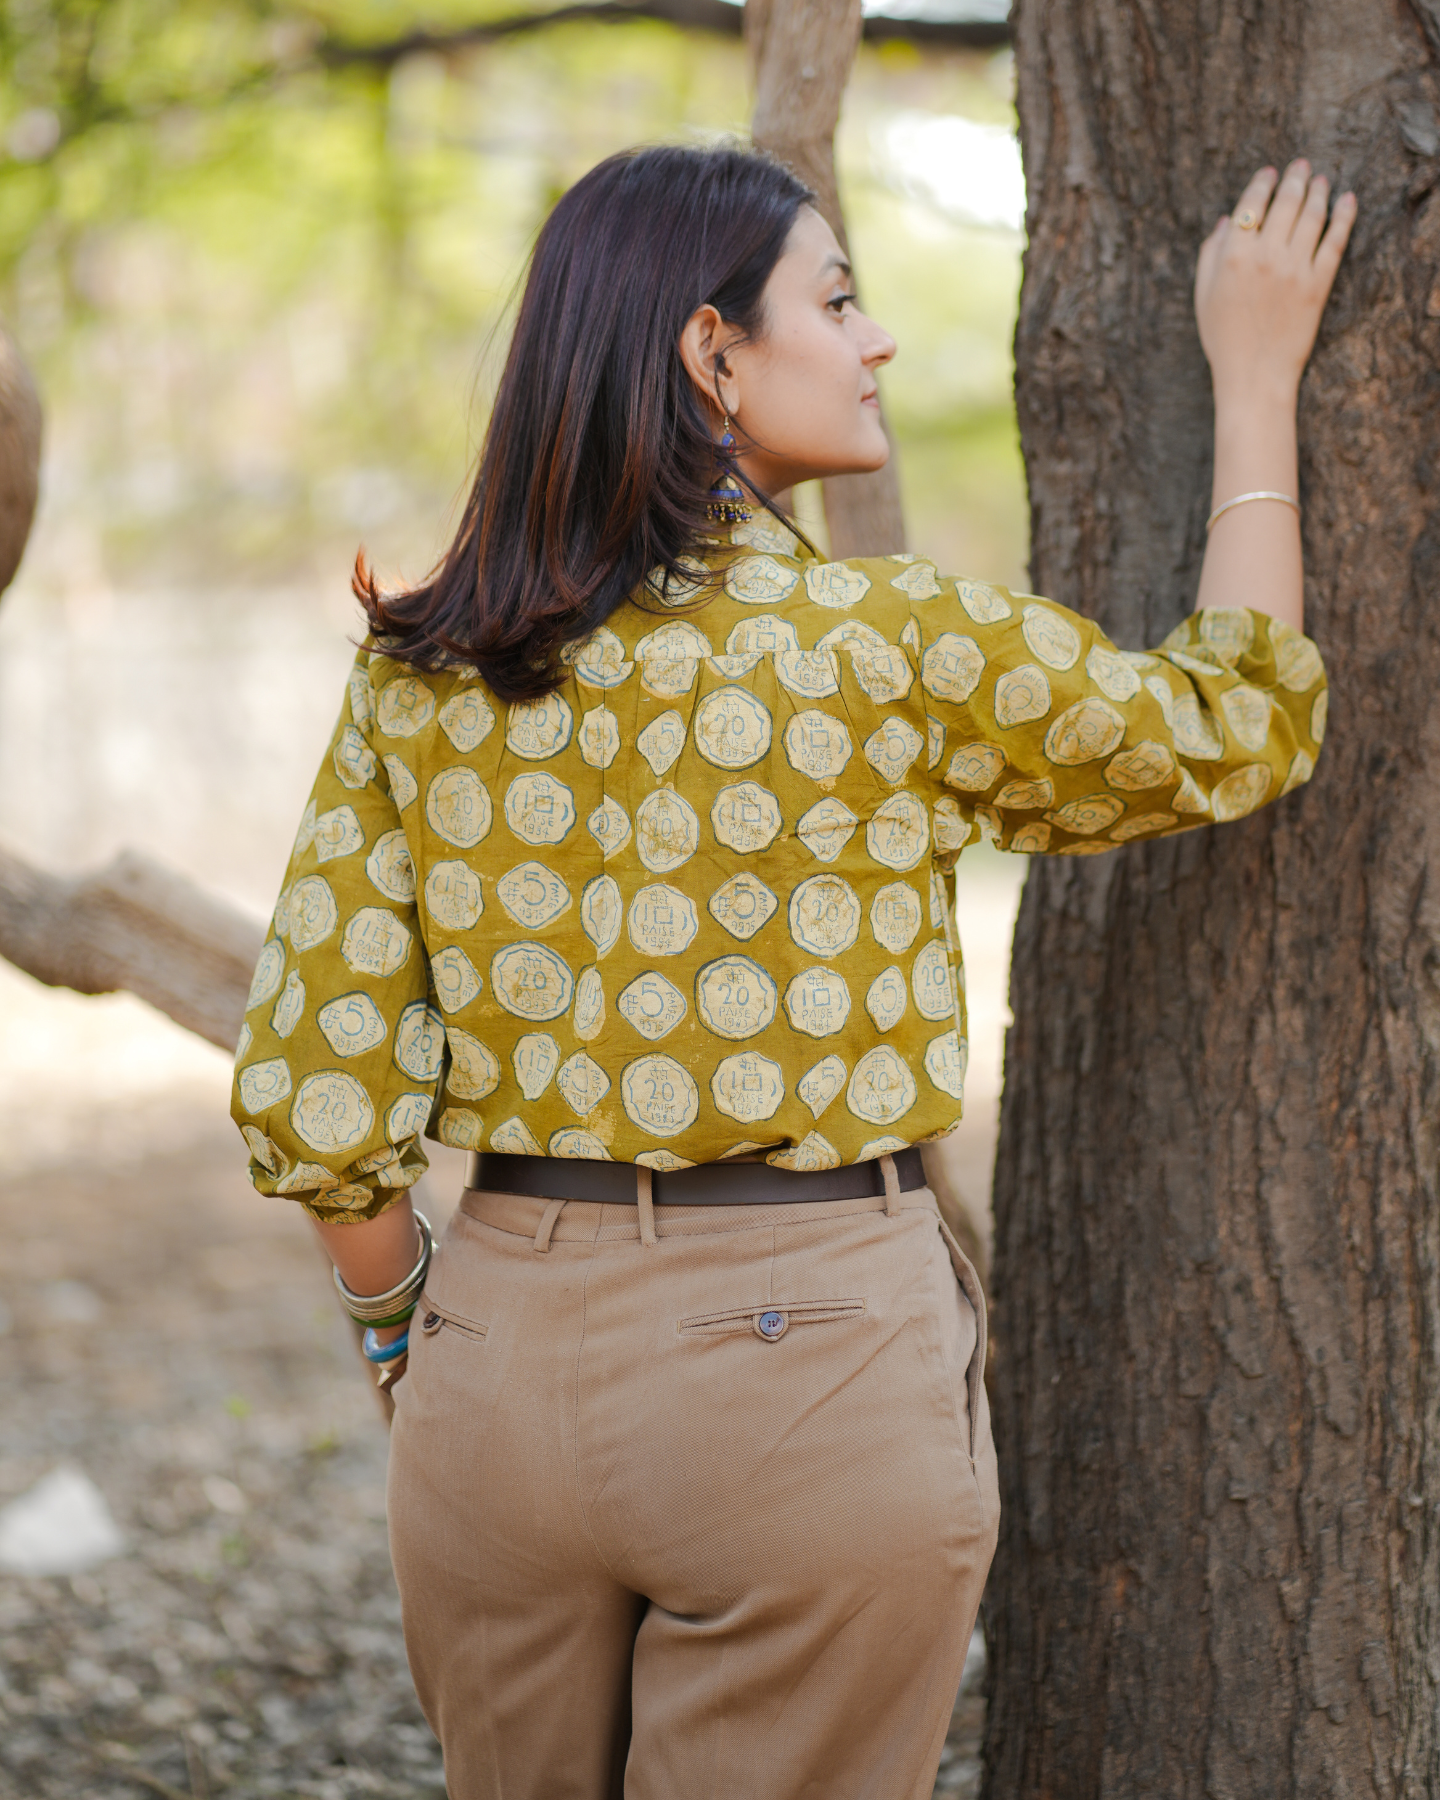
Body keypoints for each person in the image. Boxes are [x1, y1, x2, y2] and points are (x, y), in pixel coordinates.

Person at [230, 143, 1351, 1798]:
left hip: (498, 1370)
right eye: (836, 299)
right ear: (711, 356)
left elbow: (322, 1091)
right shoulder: (888, 651)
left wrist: (411, 1349)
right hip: (806, 1372)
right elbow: (1233, 721)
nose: (876, 338)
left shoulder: (430, 671)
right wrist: (1256, 380)